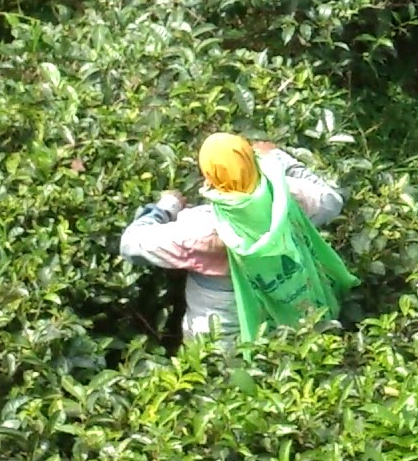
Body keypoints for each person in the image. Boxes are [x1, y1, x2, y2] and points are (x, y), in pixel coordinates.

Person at [120, 133, 359, 346]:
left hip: (220, 344)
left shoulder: (200, 227)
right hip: (296, 326)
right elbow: (331, 199)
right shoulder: (287, 199)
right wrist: (279, 159)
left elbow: (130, 243)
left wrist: (166, 207)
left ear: (209, 175)